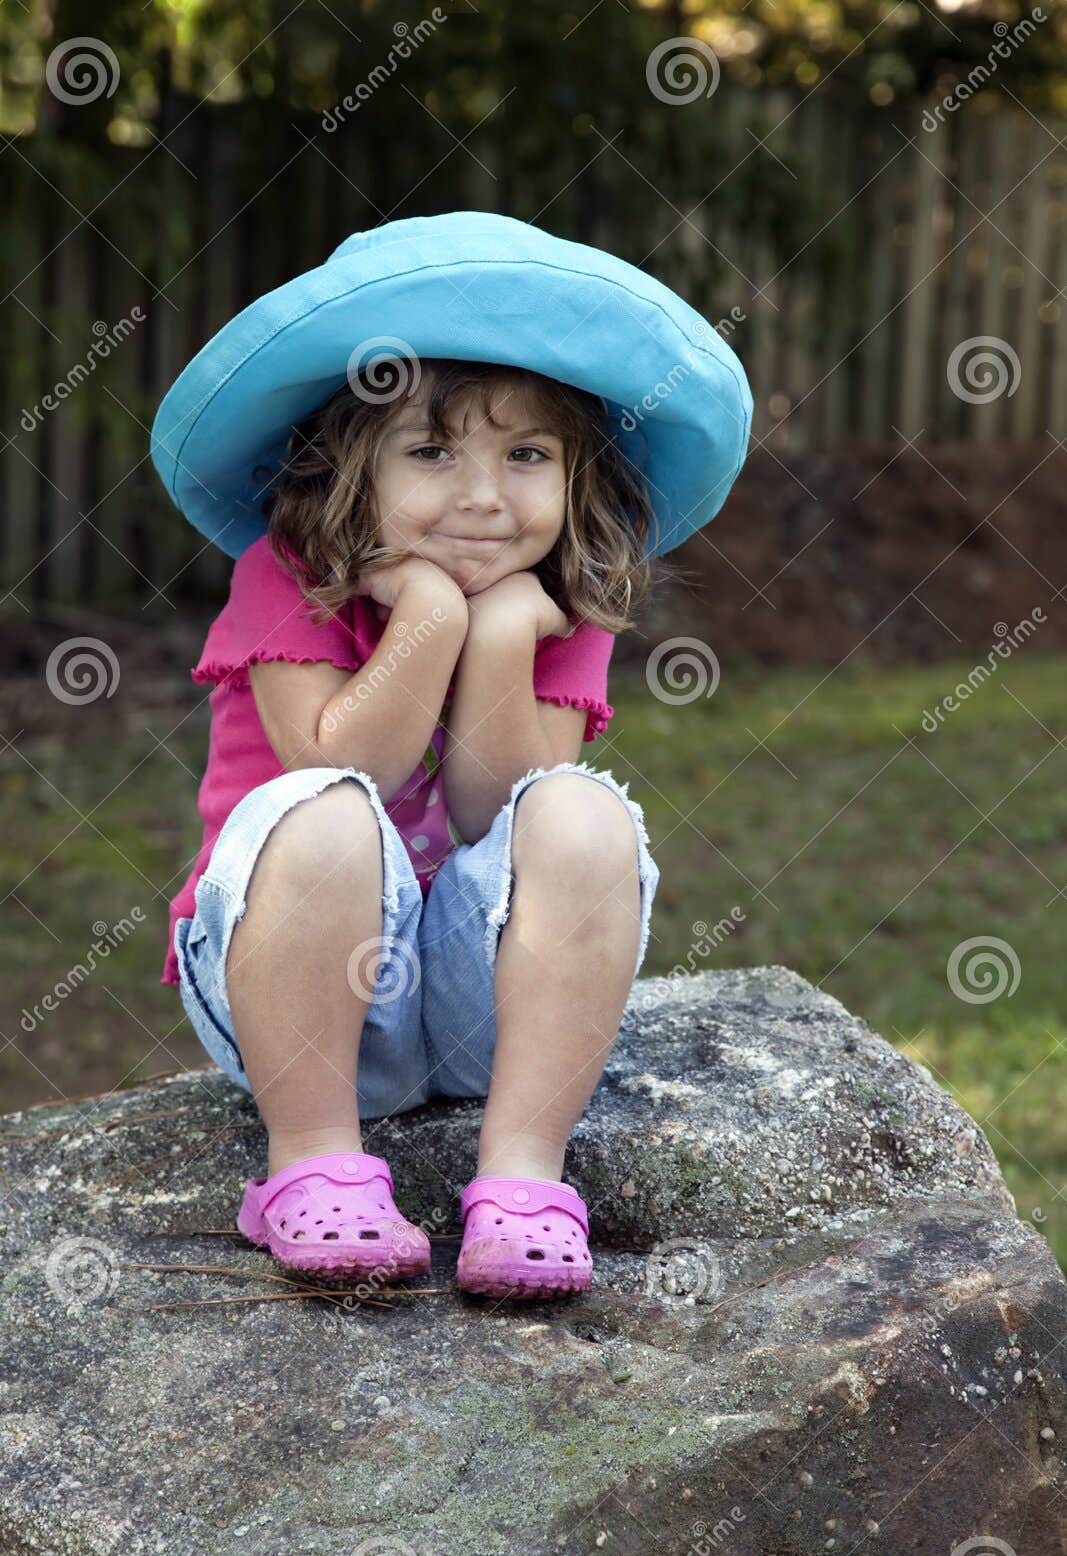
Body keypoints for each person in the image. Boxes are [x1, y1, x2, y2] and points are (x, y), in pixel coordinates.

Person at [150, 211, 752, 1301]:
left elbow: (499, 808)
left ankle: (520, 1177)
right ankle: (315, 1161)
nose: (483, 496)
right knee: (327, 811)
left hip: (482, 1010)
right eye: (431, 451)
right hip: (302, 998)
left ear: (577, 477)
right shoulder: (288, 574)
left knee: (582, 812)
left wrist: (506, 633)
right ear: (346, 469)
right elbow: (345, 769)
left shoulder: (561, 605)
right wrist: (427, 613)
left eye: (526, 455)